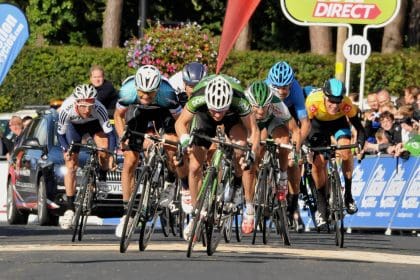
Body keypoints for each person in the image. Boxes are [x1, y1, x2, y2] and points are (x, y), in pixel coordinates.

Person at [175, 74, 260, 237]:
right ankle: (195, 214)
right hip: (203, 118)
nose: (218, 115)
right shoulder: (198, 97)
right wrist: (185, 140)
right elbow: (180, 123)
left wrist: (252, 153)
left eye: (221, 110)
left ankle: (248, 204)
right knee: (194, 166)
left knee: (242, 151)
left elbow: (253, 130)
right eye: (215, 110)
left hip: (233, 118)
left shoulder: (239, 101)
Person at [113, 65, 182, 238]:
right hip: (138, 113)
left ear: (157, 89)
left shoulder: (168, 94)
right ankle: (126, 214)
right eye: (141, 93)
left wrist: (179, 143)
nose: (145, 97)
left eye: (149, 93)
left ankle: (170, 181)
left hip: (163, 111)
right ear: (136, 88)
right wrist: (123, 137)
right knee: (130, 160)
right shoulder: (127, 92)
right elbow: (118, 116)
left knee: (172, 144)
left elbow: (180, 122)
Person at [305, 78, 366, 229]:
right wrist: (306, 146)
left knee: (345, 150)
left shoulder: (346, 104)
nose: (334, 105)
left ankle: (348, 196)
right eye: (331, 101)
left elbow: (359, 128)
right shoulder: (313, 102)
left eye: (337, 101)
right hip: (317, 126)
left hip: (338, 124)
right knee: (317, 164)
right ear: (324, 96)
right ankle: (321, 206)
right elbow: (304, 127)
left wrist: (360, 143)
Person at [243, 80, 303, 229]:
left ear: (271, 102)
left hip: (273, 121)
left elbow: (295, 131)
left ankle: (282, 177)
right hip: (251, 124)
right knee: (253, 156)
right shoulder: (243, 103)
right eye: (257, 107)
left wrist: (294, 153)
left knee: (283, 139)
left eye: (265, 107)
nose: (261, 111)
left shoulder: (277, 104)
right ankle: (251, 201)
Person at [57, 84, 116, 229]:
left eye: (90, 106)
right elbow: (60, 134)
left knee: (104, 148)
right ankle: (70, 207)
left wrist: (111, 153)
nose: (87, 110)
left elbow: (110, 134)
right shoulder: (66, 108)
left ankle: (101, 175)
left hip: (94, 124)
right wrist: (66, 150)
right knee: (70, 164)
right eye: (83, 106)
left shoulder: (99, 108)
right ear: (76, 102)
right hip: (74, 126)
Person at [265, 61, 311, 227]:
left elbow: (305, 124)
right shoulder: (265, 88)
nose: (281, 91)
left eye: (285, 87)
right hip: (269, 115)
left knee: (293, 162)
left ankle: (293, 201)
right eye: (277, 87)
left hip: (290, 116)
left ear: (291, 85)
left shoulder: (296, 91)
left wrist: (296, 148)